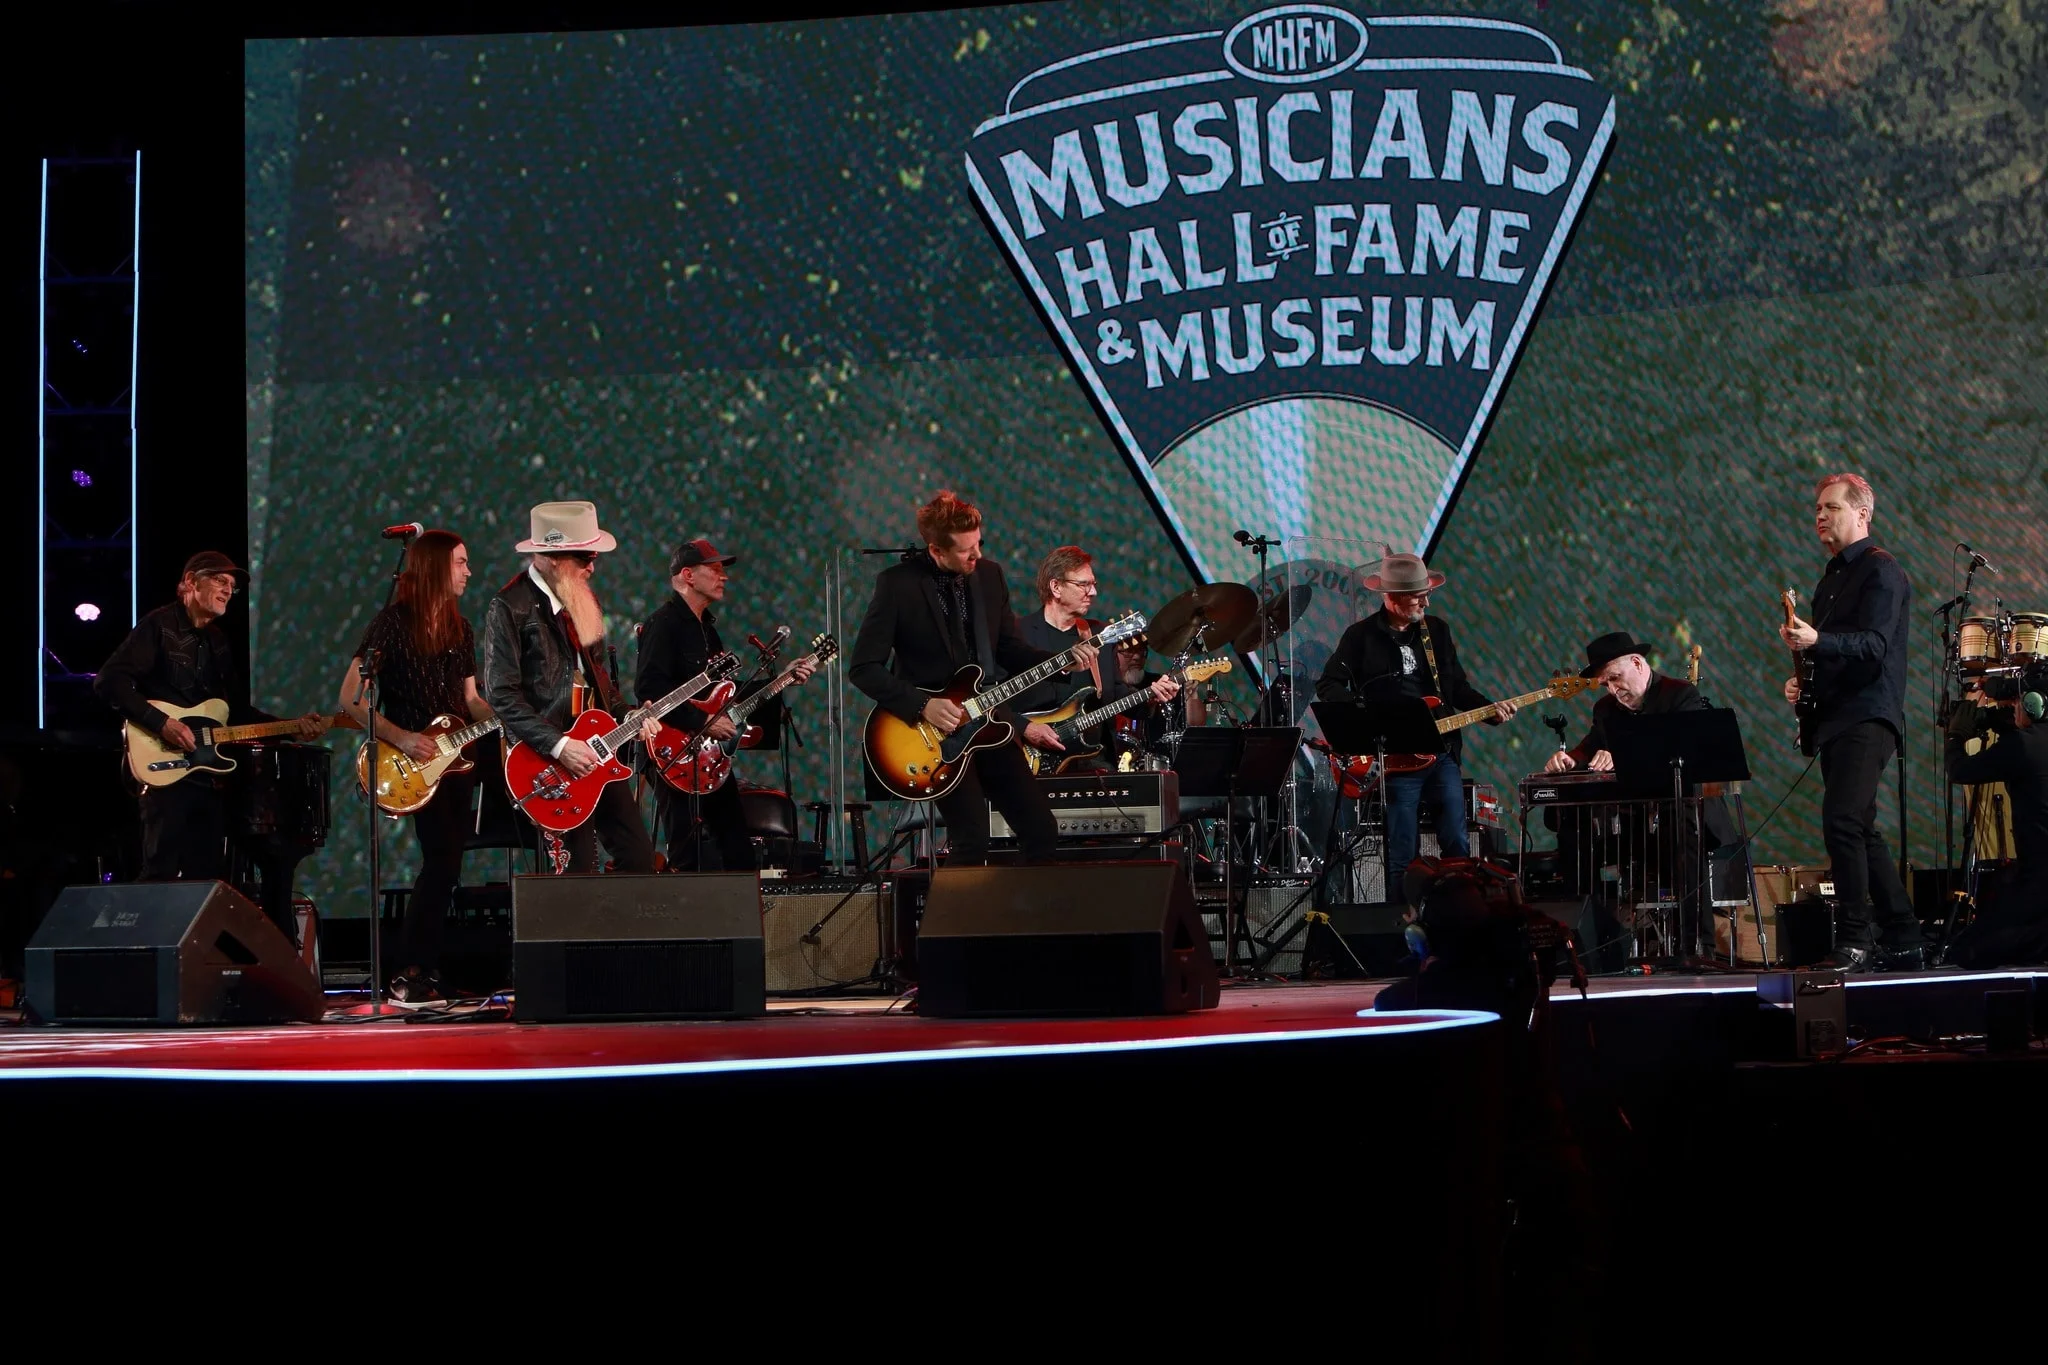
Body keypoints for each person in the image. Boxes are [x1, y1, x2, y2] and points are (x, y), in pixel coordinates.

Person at [848, 491, 1089, 864]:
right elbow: (863, 668)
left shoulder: (990, 575)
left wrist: (1063, 661)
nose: (977, 555)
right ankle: (958, 922)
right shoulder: (897, 585)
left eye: (979, 544)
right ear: (936, 550)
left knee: (1041, 830)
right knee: (971, 840)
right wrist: (923, 705)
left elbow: (1011, 650)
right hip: (934, 737)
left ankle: (1032, 918)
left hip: (991, 722)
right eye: (966, 550)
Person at [95, 551, 330, 934]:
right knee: (160, 870)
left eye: (232, 586)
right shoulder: (158, 626)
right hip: (164, 766)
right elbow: (109, 682)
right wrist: (163, 723)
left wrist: (292, 726)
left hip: (205, 774)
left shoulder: (218, 641)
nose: (229, 589)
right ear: (190, 582)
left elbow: (234, 711)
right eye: (220, 581)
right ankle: (144, 960)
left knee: (207, 875)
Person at [335, 530, 493, 1004]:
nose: (468, 571)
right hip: (413, 760)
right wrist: (403, 738)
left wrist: (513, 716)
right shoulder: (390, 624)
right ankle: (412, 969)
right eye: (461, 562)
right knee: (441, 859)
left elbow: (470, 701)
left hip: (459, 758)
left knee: (448, 861)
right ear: (435, 567)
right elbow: (350, 699)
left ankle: (428, 967)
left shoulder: (460, 628)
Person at [1780, 472, 1921, 971]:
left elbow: (1875, 648)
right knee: (1860, 826)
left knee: (1842, 820)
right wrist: (1803, 683)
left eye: (1832, 507)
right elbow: (1832, 654)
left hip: (1868, 714)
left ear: (1862, 514)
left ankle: (1857, 938)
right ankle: (1903, 934)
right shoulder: (1828, 580)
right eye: (1817, 508)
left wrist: (1817, 642)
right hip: (1837, 718)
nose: (1820, 515)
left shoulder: (1881, 572)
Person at [1315, 551, 1515, 902]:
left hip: (1441, 752)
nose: (1425, 599)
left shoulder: (1436, 631)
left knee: (1456, 840)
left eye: (1426, 592)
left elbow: (1457, 688)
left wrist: (1488, 710)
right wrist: (1369, 713)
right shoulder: (1360, 637)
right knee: (1402, 852)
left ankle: (1463, 916)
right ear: (1390, 597)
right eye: (1416, 594)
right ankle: (1401, 926)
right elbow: (1329, 685)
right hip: (1396, 759)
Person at [482, 501, 660, 875]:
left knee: (639, 858)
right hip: (548, 761)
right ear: (551, 557)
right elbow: (501, 695)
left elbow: (598, 680)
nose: (592, 567)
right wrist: (559, 745)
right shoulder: (509, 606)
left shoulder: (582, 598)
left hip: (597, 750)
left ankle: (617, 932)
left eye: (593, 556)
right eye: (583, 556)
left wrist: (628, 714)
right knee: (576, 871)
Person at [1543, 631, 1735, 957]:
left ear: (1637, 663)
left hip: (1679, 815)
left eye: (1616, 678)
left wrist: (1625, 755)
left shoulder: (1680, 694)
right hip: (1633, 822)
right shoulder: (1606, 708)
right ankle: (1590, 947)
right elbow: (1591, 745)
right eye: (1606, 684)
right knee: (1575, 834)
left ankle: (1697, 946)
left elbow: (1689, 749)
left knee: (1686, 835)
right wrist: (1570, 759)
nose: (1614, 690)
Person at [636, 537, 815, 871]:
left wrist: (784, 679)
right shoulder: (664, 623)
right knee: (687, 855)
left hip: (705, 757)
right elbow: (648, 689)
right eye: (714, 569)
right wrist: (700, 723)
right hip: (671, 752)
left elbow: (724, 698)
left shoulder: (707, 630)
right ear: (688, 575)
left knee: (738, 851)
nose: (724, 576)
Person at [1014, 545, 1177, 766]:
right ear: (1056, 587)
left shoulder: (1099, 635)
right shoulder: (1018, 634)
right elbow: (993, 701)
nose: (1093, 592)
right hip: (1029, 760)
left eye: (1093, 584)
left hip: (1091, 761)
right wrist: (1027, 728)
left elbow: (1117, 696)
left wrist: (1150, 698)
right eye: (1083, 585)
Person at [1941, 676, 2048, 966]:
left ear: (2035, 705)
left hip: (2039, 882)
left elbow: (1960, 771)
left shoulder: (2024, 746)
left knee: (1967, 952)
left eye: (2018, 702)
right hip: (2036, 879)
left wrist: (1956, 735)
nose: (2014, 708)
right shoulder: (2028, 743)